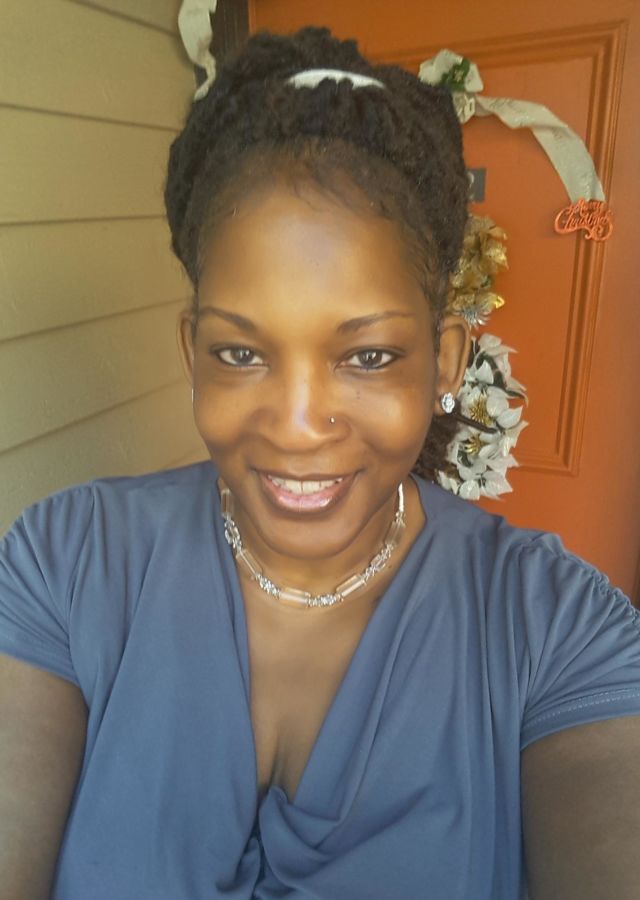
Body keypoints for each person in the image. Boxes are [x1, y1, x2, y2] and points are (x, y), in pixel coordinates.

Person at [1, 25, 639, 900]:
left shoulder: (552, 630)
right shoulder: (67, 564)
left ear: (445, 363)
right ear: (192, 354)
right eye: (240, 354)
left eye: (368, 356)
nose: (298, 428)